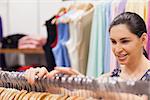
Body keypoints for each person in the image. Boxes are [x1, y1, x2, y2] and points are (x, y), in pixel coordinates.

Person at [24, 12, 150, 99]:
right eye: (113, 42)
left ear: (143, 39)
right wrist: (45, 80)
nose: (117, 49)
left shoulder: (103, 83)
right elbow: (70, 95)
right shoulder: (108, 78)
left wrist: (95, 87)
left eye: (125, 41)